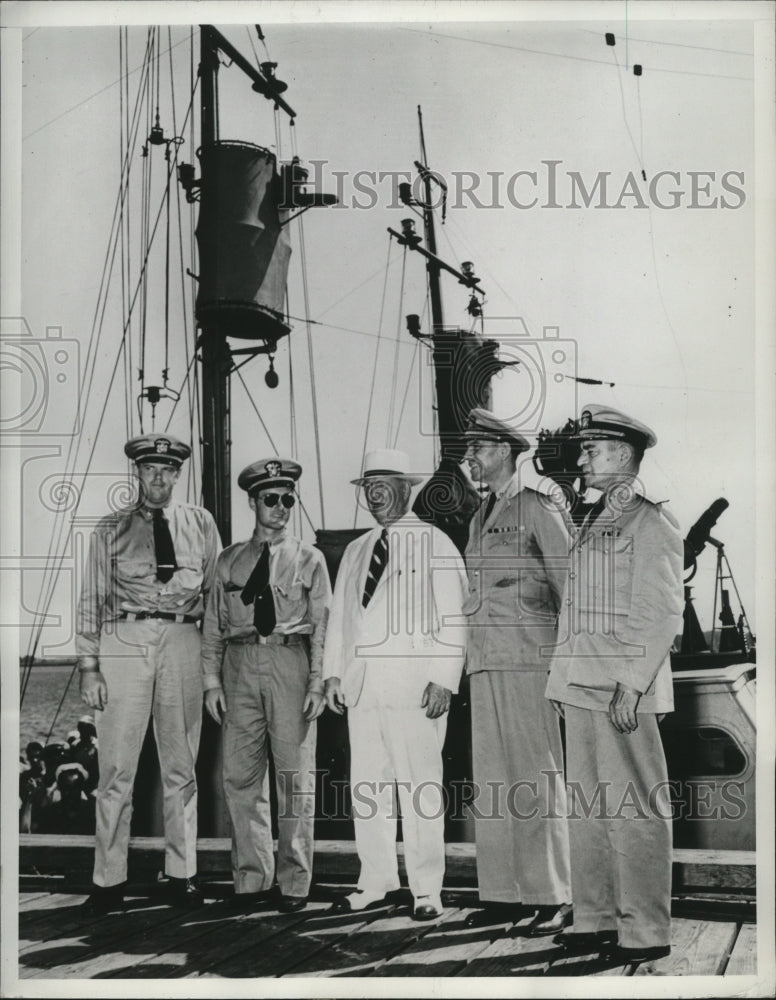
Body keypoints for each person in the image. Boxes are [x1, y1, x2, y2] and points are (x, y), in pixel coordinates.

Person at [546, 404, 684, 962]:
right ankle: (596, 917)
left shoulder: (651, 521)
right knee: (588, 809)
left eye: (591, 449)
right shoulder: (598, 517)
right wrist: (561, 682)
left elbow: (661, 611)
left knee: (634, 810)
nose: (581, 458)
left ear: (623, 455)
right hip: (582, 683)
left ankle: (645, 930)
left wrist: (631, 684)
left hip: (622, 688)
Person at [76, 433, 221, 914]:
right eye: (149, 469)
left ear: (178, 474)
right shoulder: (109, 528)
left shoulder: (200, 524)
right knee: (117, 767)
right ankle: (108, 881)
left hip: (183, 639)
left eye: (167, 470)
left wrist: (212, 667)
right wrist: (89, 667)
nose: (158, 478)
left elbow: (217, 599)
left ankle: (182, 875)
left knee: (182, 767)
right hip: (125, 640)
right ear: (137, 473)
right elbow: (90, 600)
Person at [322, 449, 468, 921]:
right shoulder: (357, 550)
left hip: (414, 687)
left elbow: (454, 617)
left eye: (386, 485)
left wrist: (444, 680)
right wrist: (332, 675)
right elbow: (340, 619)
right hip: (364, 688)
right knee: (368, 786)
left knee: (420, 785)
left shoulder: (435, 543)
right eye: (369, 486)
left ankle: (428, 889)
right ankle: (376, 879)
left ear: (408, 490)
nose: (377, 494)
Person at [201, 457, 331, 913]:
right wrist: (211, 682)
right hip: (239, 667)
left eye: (287, 500)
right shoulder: (228, 561)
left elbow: (321, 627)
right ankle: (251, 881)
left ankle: (294, 884)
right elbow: (214, 626)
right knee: (240, 776)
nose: (280, 507)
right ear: (253, 501)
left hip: (288, 662)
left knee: (294, 777)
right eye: (271, 499)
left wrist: (316, 683)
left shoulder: (309, 559)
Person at [461, 409, 573, 934]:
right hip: (485, 662)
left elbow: (570, 587)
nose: (471, 459)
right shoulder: (479, 515)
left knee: (536, 774)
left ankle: (551, 892)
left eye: (478, 449)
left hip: (530, 659)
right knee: (494, 780)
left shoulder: (537, 507)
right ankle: (504, 891)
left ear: (504, 449)